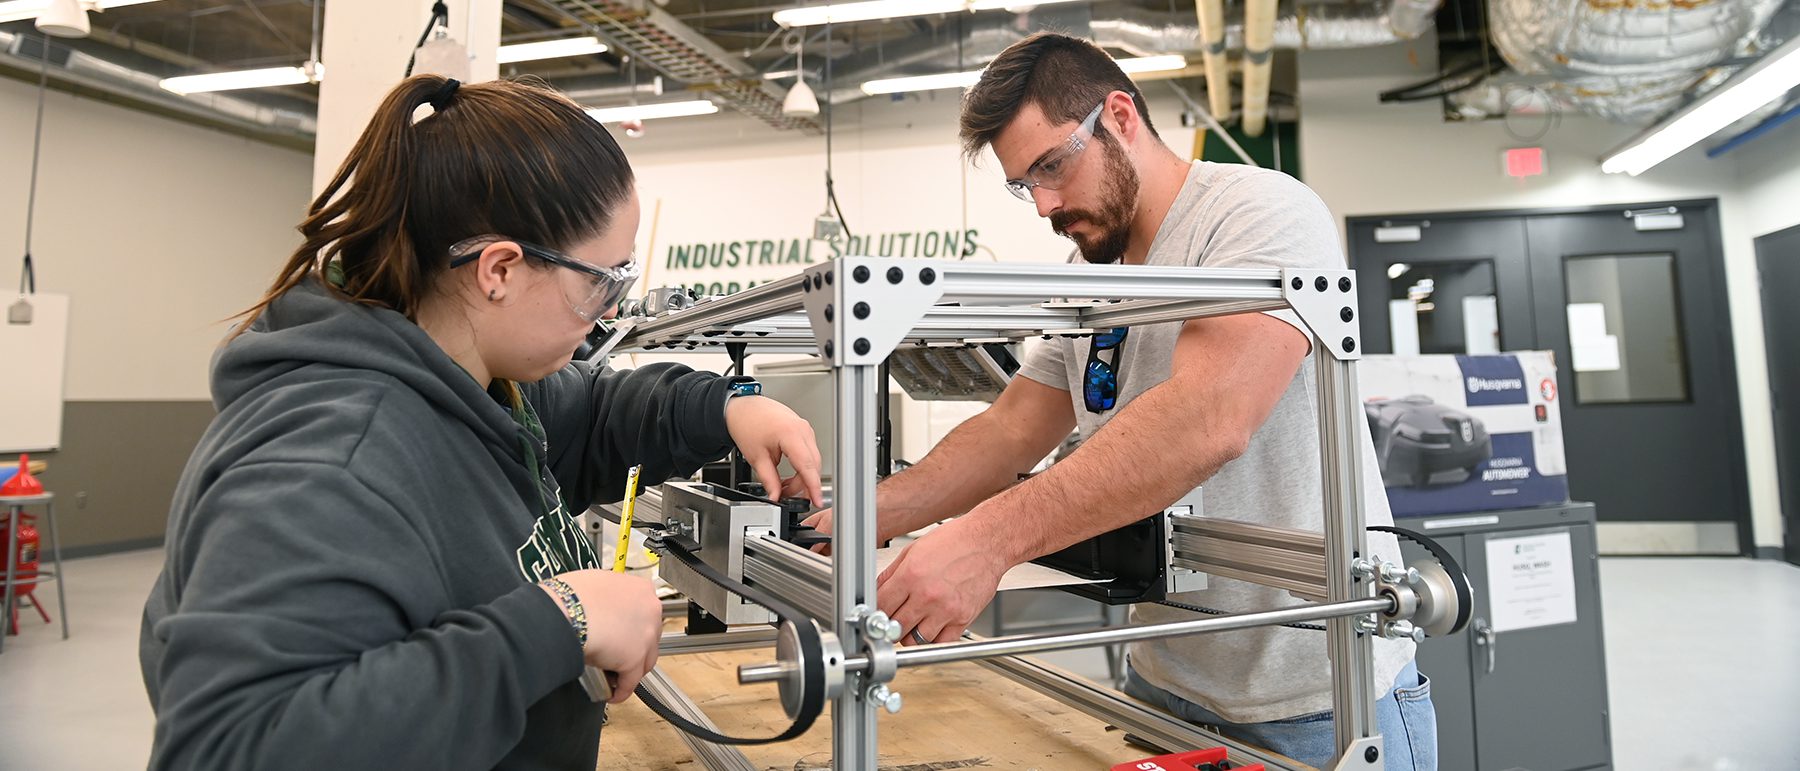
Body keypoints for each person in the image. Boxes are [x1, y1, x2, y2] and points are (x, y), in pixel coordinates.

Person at [139, 75, 824, 770]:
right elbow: (229, 746)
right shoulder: (332, 461)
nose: (610, 312)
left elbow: (593, 411)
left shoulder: (483, 386)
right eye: (602, 282)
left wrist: (726, 405)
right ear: (499, 269)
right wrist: (557, 622)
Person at [804, 33, 1435, 769]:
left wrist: (986, 540)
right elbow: (1012, 431)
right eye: (1023, 183)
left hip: (1312, 700)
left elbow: (1209, 420)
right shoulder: (1088, 274)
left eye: (1051, 165)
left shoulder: (1259, 214)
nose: (1043, 203)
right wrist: (867, 514)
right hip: (1161, 686)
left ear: (1121, 117)